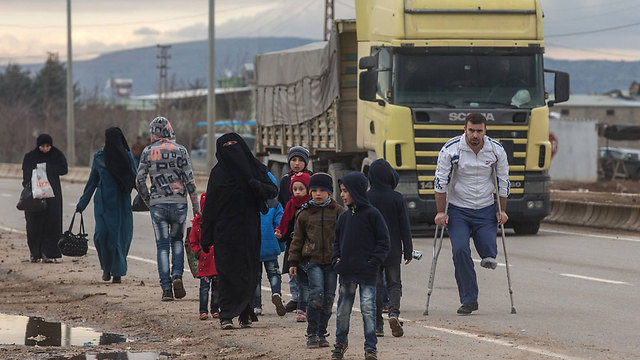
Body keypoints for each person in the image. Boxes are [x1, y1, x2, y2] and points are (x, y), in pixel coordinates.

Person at [200, 132, 278, 330]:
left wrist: (255, 185)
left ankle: (245, 312)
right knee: (227, 273)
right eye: (226, 145)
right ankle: (226, 315)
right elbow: (210, 205)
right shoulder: (218, 173)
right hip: (224, 231)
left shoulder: (255, 168)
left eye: (234, 143)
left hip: (249, 230)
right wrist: (206, 235)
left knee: (249, 272)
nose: (231, 148)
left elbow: (272, 190)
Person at [434, 113, 510, 315]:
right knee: (460, 251)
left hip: (485, 208)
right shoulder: (451, 149)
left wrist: (502, 210)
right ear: (465, 129)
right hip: (459, 209)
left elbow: (503, 182)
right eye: (471, 130)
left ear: (485, 131)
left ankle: (488, 254)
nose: (475, 135)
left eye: (479, 131)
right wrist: (441, 212)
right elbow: (440, 182)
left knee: (488, 253)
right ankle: (469, 299)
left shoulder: (496, 150)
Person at [136, 116, 201, 301]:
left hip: (158, 204)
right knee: (178, 242)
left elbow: (139, 180)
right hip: (179, 203)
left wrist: (148, 200)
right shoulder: (181, 150)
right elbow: (190, 181)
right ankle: (177, 276)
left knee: (162, 246)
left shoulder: (148, 152)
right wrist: (196, 207)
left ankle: (166, 289)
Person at [332, 172, 390, 360]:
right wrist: (336, 260)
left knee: (368, 309)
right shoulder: (343, 217)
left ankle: (370, 348)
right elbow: (336, 243)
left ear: (356, 191)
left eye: (345, 191)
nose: (342, 195)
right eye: (341, 191)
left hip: (367, 273)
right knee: (342, 311)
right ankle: (340, 343)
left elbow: (384, 242)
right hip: (347, 273)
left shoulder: (373, 214)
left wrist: (373, 262)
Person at [288, 173, 345, 349]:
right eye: (314, 190)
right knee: (316, 295)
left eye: (322, 190)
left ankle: (322, 332)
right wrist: (292, 262)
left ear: (330, 193)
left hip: (332, 262)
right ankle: (311, 333)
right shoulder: (304, 214)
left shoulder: (339, 211)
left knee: (328, 298)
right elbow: (297, 239)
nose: (318, 194)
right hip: (312, 261)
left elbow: (345, 236)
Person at [76, 127, 137, 283]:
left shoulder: (127, 157)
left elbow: (135, 179)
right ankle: (106, 268)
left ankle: (117, 272)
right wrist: (81, 204)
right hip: (103, 205)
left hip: (122, 206)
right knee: (101, 237)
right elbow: (92, 183)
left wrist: (147, 198)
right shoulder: (99, 158)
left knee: (119, 239)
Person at [367, 159, 413, 337]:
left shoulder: (366, 197)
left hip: (372, 251)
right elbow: (405, 227)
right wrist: (408, 250)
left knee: (375, 286)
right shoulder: (397, 198)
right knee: (394, 284)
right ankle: (393, 313)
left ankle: (377, 325)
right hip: (392, 249)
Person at [21, 134, 68, 263]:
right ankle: (35, 253)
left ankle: (50, 253)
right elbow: (25, 175)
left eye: (48, 146)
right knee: (34, 225)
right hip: (35, 196)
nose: (45, 149)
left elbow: (64, 169)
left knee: (52, 224)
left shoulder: (56, 155)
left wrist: (48, 168)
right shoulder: (30, 157)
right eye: (43, 146)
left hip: (53, 195)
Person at [277, 145, 313, 313]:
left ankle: (310, 298)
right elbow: (284, 205)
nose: (297, 163)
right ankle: (295, 297)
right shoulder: (285, 180)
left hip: (310, 230)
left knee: (309, 264)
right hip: (292, 230)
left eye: (300, 160)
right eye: (293, 160)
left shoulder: (312, 178)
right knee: (292, 263)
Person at [253, 172, 286, 317]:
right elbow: (280, 224)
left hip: (254, 246)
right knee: (274, 273)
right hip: (270, 246)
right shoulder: (275, 204)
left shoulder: (251, 203)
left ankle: (257, 306)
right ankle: (276, 292)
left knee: (256, 277)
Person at [188, 192, 220, 320]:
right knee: (204, 288)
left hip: (216, 261)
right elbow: (192, 242)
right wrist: (197, 252)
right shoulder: (197, 224)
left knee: (217, 288)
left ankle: (215, 309)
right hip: (204, 261)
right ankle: (203, 310)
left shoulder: (218, 222)